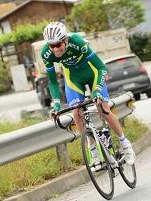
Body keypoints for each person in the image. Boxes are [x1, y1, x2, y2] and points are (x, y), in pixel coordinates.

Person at [41, 22, 135, 170]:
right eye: (52, 46)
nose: (56, 49)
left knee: (102, 109)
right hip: (73, 78)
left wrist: (97, 90)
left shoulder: (77, 42)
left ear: (65, 39)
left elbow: (100, 67)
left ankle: (125, 143)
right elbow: (52, 81)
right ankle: (93, 151)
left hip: (92, 73)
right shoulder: (46, 53)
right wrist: (57, 104)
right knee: (76, 112)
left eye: (58, 44)